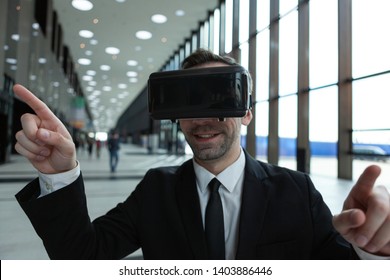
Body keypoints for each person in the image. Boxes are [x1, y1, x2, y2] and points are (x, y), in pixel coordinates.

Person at [13, 49, 390, 260]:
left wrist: (374, 249)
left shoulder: (297, 191)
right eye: (191, 103)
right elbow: (83, 258)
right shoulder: (156, 191)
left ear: (246, 112)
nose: (203, 119)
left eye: (220, 100)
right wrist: (60, 174)